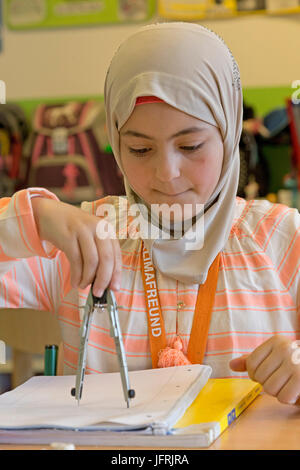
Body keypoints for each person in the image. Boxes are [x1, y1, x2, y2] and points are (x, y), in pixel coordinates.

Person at [0, 22, 299, 405]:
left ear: (227, 134)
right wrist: (37, 218)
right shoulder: (88, 240)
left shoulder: (281, 239)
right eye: (140, 150)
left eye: (190, 146)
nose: (167, 173)